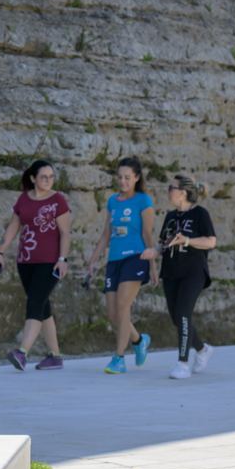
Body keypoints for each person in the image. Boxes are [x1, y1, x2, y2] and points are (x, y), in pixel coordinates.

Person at [0, 159, 71, 372]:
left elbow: (65, 233)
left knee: (34, 303)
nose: (48, 180)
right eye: (44, 177)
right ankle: (55, 356)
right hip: (25, 261)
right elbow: (13, 227)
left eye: (51, 177)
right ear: (33, 178)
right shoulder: (24, 199)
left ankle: (22, 352)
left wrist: (63, 259)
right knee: (42, 306)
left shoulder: (58, 200)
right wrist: (0, 252)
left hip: (50, 262)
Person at [86, 155, 158, 374]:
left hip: (136, 257)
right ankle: (139, 341)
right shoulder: (112, 201)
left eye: (128, 177)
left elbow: (147, 234)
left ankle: (119, 358)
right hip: (114, 260)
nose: (123, 181)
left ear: (136, 178)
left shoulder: (143, 201)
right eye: (120, 177)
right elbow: (106, 234)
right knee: (114, 315)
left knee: (123, 306)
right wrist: (93, 260)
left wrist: (153, 266)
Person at [158, 173, 217, 379]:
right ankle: (202, 349)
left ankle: (182, 364)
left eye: (171, 188)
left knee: (183, 314)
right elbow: (163, 244)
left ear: (183, 193)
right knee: (177, 318)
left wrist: (187, 240)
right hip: (171, 272)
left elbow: (211, 242)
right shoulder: (170, 217)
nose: (168, 191)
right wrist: (152, 252)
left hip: (193, 272)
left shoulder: (200, 214)